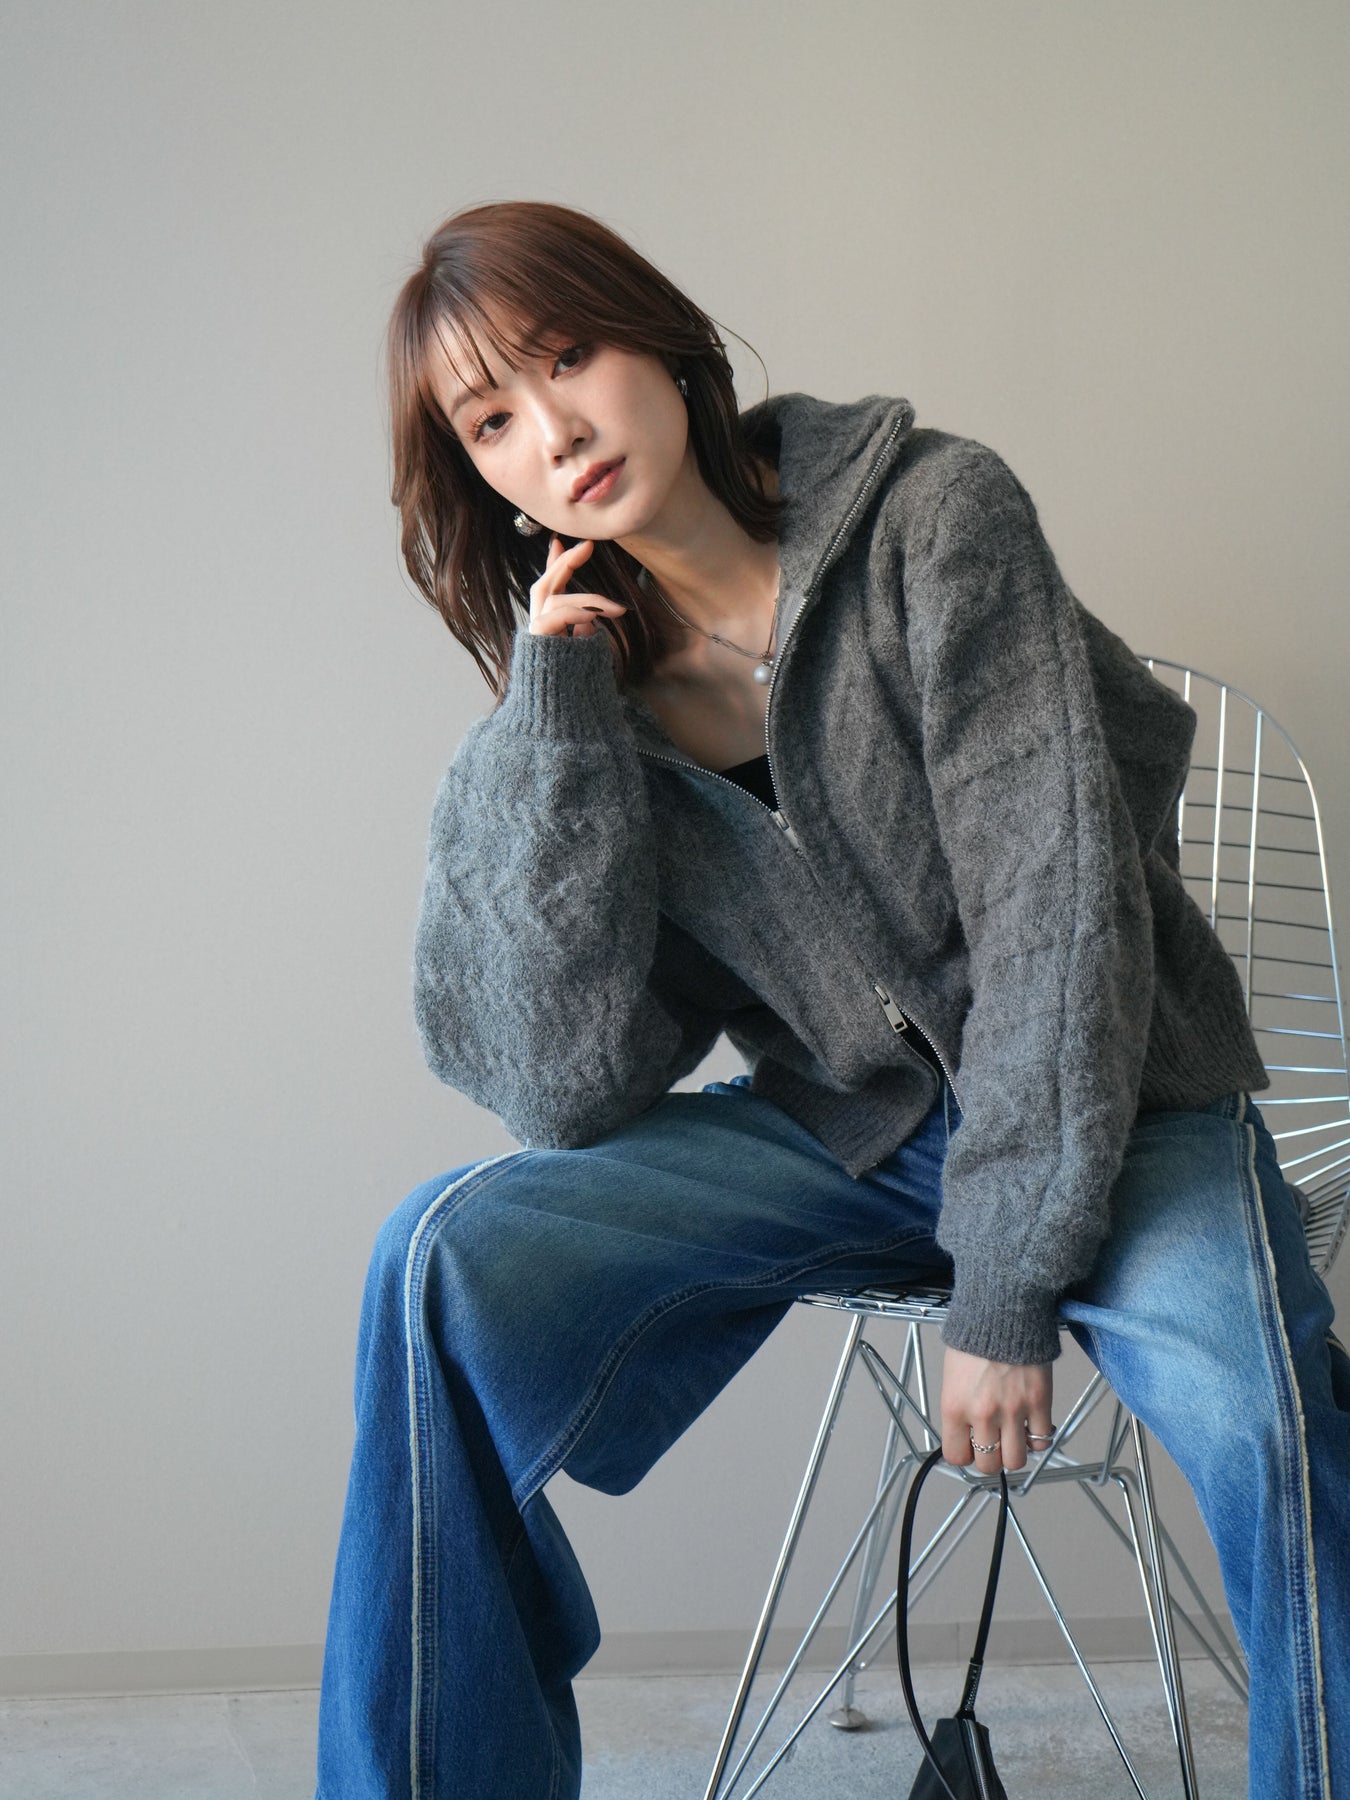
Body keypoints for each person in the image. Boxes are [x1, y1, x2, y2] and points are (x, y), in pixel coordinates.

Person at [314, 199, 1350, 1800]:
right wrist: (559, 732)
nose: (553, 431)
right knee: (436, 1257)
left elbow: (1058, 911)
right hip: (852, 1134)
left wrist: (1003, 1289)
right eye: (490, 420)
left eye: (565, 356)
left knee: (1266, 1417)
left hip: (1119, 1101)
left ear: (661, 340)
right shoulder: (587, 703)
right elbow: (559, 1087)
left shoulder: (932, 520)